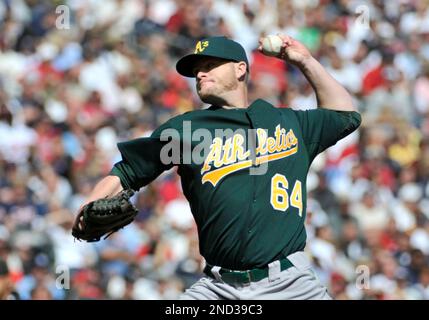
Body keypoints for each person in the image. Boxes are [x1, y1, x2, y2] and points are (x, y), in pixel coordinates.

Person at [73, 35, 361, 299]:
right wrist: (87, 205)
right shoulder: (187, 130)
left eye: (210, 65)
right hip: (219, 288)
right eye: (197, 69)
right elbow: (127, 173)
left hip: (291, 284)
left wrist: (304, 61)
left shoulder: (289, 124)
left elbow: (345, 114)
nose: (200, 73)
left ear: (240, 69)